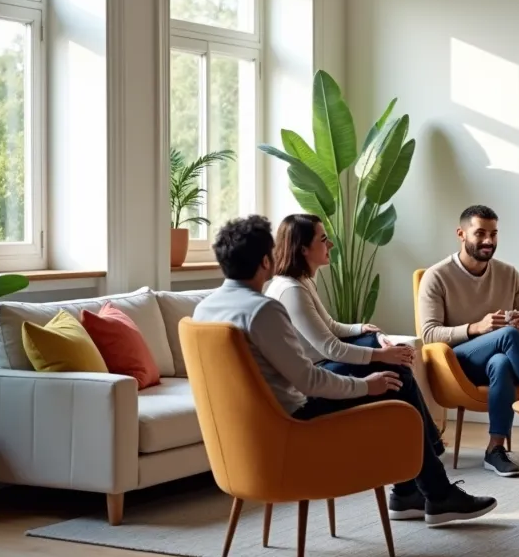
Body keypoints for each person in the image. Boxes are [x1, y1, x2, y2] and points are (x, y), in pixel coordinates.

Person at [193, 215, 497, 526]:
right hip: (292, 421)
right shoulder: (264, 310)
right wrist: (368, 386)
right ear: (265, 262)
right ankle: (435, 492)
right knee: (394, 385)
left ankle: (410, 492)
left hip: (246, 428)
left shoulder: (203, 310)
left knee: (391, 379)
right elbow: (309, 381)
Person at [417, 204, 519, 478]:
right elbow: (429, 334)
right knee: (507, 335)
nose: (488, 240)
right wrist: (476, 327)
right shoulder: (437, 276)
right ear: (461, 234)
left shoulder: (508, 274)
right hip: (457, 364)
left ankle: (495, 449)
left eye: (494, 234)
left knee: (501, 362)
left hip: (498, 359)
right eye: (480, 233)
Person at [264, 213, 445, 454]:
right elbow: (331, 348)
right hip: (311, 379)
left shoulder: (302, 281)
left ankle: (427, 448)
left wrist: (361, 328)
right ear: (304, 249)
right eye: (323, 238)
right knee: (396, 373)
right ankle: (429, 447)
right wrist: (384, 356)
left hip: (323, 364)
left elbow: (329, 325)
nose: (330, 244)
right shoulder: (291, 291)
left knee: (379, 347)